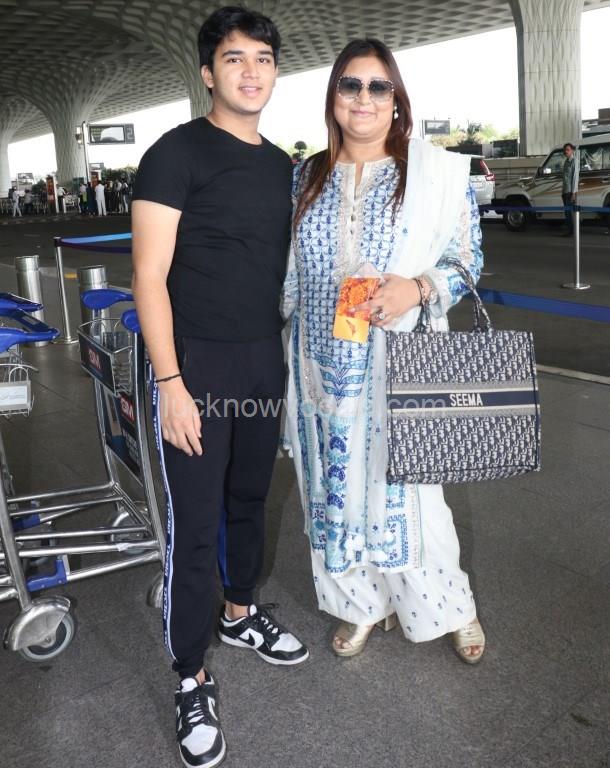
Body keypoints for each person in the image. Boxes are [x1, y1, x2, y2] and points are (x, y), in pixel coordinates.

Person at [131, 7, 308, 768]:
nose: (250, 71)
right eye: (235, 58)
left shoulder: (280, 167)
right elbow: (148, 277)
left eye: (262, 58)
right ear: (208, 73)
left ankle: (239, 613)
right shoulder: (174, 154)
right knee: (195, 523)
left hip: (261, 361)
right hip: (195, 367)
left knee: (247, 500)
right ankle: (189, 674)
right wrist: (170, 383)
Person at [282, 39, 486, 665]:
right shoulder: (304, 176)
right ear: (333, 97)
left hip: (398, 362)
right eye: (350, 85)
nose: (364, 98)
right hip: (318, 364)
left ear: (397, 100)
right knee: (331, 488)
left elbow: (469, 261)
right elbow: (286, 274)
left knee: (413, 494)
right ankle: (361, 603)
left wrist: (417, 288)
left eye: (378, 86)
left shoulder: (433, 175)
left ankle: (450, 606)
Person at [561, 142, 577, 236]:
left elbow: (575, 178)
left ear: (572, 151)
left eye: (568, 150)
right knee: (566, 212)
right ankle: (569, 230)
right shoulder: (566, 161)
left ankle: (570, 231)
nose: (566, 151)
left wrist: (573, 193)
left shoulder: (574, 161)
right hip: (565, 190)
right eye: (565, 150)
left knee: (569, 212)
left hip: (570, 191)